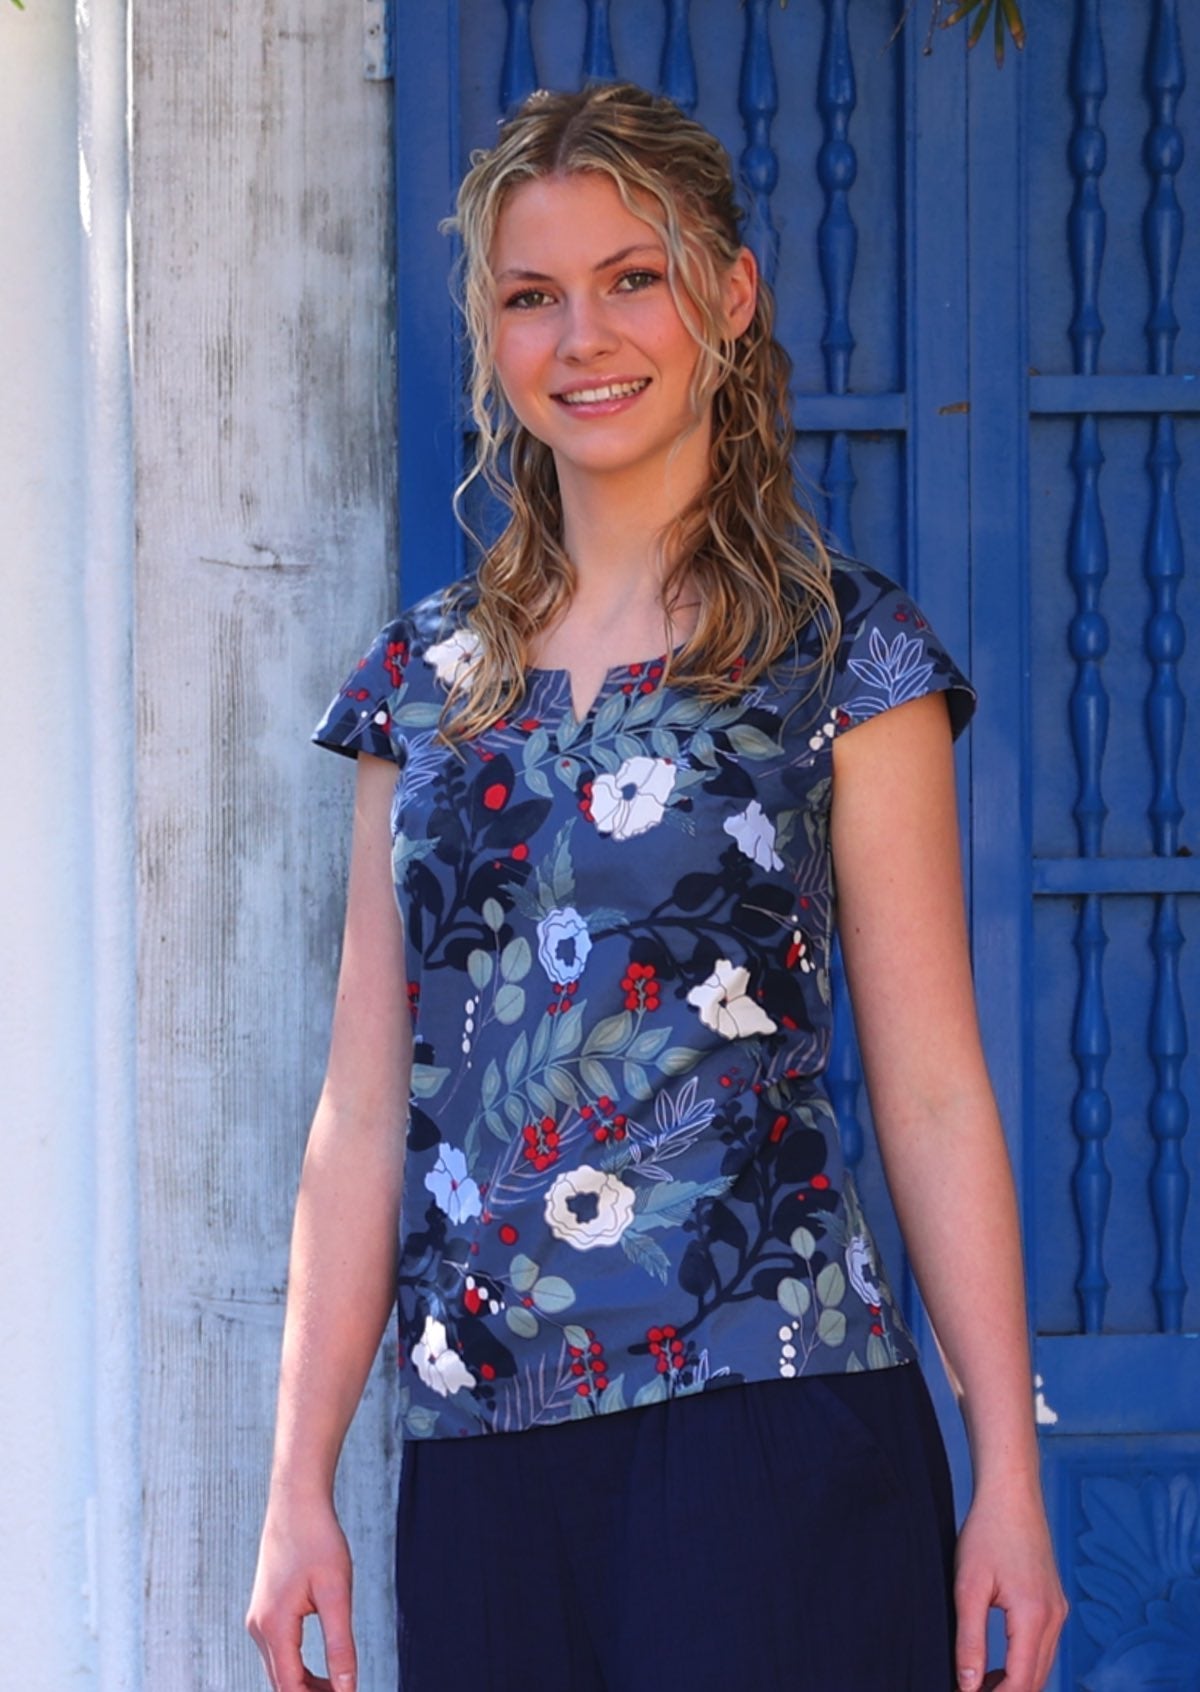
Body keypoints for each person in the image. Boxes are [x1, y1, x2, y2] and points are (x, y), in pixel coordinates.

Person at [247, 81, 1067, 1692]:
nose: (585, 336)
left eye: (634, 275)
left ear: (730, 295)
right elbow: (360, 1106)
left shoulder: (848, 656)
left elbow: (935, 1092)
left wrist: (1013, 1479)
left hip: (776, 1433)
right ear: (491, 336)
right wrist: (298, 1483)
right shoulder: (418, 685)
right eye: (533, 295)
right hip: (483, 1455)